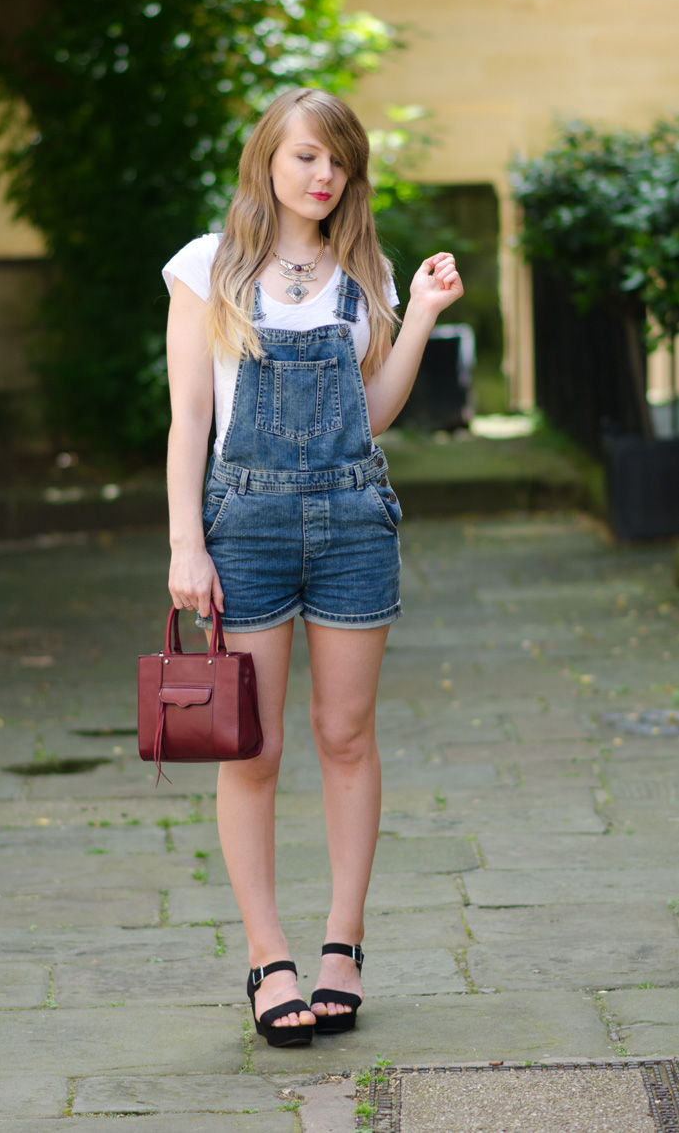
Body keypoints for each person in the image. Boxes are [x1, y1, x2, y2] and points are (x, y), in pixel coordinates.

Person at [162, 88, 463, 1048]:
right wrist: (184, 543)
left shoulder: (361, 268)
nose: (322, 175)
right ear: (266, 161)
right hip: (241, 524)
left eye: (337, 160)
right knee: (253, 748)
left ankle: (342, 944)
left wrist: (417, 314)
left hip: (351, 519)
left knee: (345, 735)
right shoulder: (205, 268)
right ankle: (268, 956)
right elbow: (189, 423)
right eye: (304, 157)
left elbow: (368, 414)